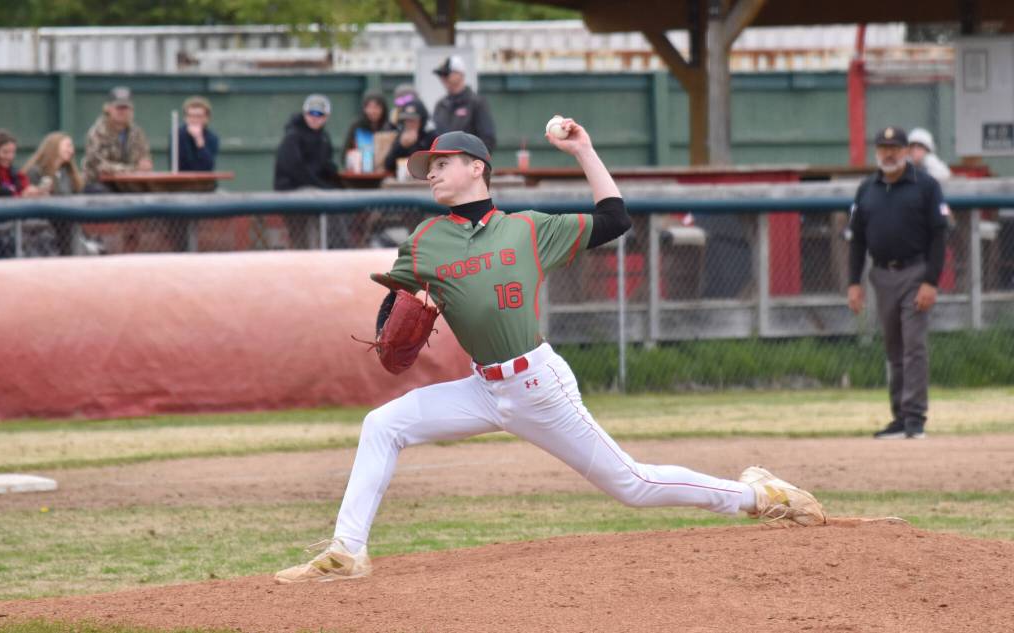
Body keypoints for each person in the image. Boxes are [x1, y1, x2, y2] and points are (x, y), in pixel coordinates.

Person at [273, 124, 827, 584]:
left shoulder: (528, 230)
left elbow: (615, 219)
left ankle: (756, 495)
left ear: (477, 167)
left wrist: (583, 150)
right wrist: (390, 328)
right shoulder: (425, 239)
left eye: (443, 162)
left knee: (632, 485)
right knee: (382, 424)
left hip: (538, 386)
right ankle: (348, 551)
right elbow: (394, 298)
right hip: (483, 389)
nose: (433, 173)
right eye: (429, 167)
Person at [847, 127, 948, 440]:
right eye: (883, 147)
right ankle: (900, 417)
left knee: (913, 346)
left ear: (907, 151)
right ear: (876, 151)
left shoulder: (926, 186)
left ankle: (915, 417)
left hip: (915, 272)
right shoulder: (866, 189)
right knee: (894, 347)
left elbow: (939, 235)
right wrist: (854, 282)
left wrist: (931, 281)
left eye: (895, 147)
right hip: (881, 275)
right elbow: (856, 240)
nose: (889, 153)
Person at [274, 94, 344, 249]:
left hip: (312, 188)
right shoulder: (292, 136)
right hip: (291, 190)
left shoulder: (324, 137)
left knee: (338, 198)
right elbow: (296, 170)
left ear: (326, 117)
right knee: (302, 238)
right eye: (311, 113)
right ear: (304, 113)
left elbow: (324, 166)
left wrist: (332, 176)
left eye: (319, 114)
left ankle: (337, 249)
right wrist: (322, 186)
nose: (314, 118)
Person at [22, 132, 84, 255]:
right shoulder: (35, 171)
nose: (71, 150)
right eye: (68, 146)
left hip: (65, 217)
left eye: (72, 147)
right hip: (41, 218)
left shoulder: (67, 173)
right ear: (55, 146)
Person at [82, 86, 153, 192]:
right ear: (108, 108)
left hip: (128, 185)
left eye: (126, 107)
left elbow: (144, 158)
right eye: (118, 107)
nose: (122, 111)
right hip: (100, 184)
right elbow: (101, 168)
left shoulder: (137, 133)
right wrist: (134, 169)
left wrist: (145, 164)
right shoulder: (97, 133)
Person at [431, 55, 497, 152]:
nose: (443, 78)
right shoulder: (440, 105)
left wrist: (469, 160)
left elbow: (488, 140)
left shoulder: (476, 102)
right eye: (441, 75)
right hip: (444, 161)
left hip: (467, 162)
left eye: (446, 74)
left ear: (460, 74)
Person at [341, 90, 392, 168]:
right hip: (360, 174)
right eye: (369, 107)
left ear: (383, 109)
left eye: (376, 107)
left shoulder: (389, 128)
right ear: (364, 109)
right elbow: (344, 155)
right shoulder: (356, 126)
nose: (372, 111)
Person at [382, 99, 434, 174]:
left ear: (422, 120)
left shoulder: (431, 136)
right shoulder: (401, 136)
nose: (409, 123)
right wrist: (400, 146)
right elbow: (388, 165)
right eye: (406, 120)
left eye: (413, 119)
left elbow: (426, 165)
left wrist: (416, 145)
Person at [0, 129, 43, 198]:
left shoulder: (18, 175)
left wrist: (32, 192)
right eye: (5, 152)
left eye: (12, 152)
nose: (9, 157)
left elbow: (26, 190)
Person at [178, 96, 220, 173]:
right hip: (182, 183)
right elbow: (183, 166)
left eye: (199, 116)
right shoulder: (178, 135)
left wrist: (199, 141)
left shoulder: (212, 137)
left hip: (206, 183)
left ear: (207, 118)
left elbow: (208, 166)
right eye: (191, 116)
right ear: (185, 118)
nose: (194, 120)